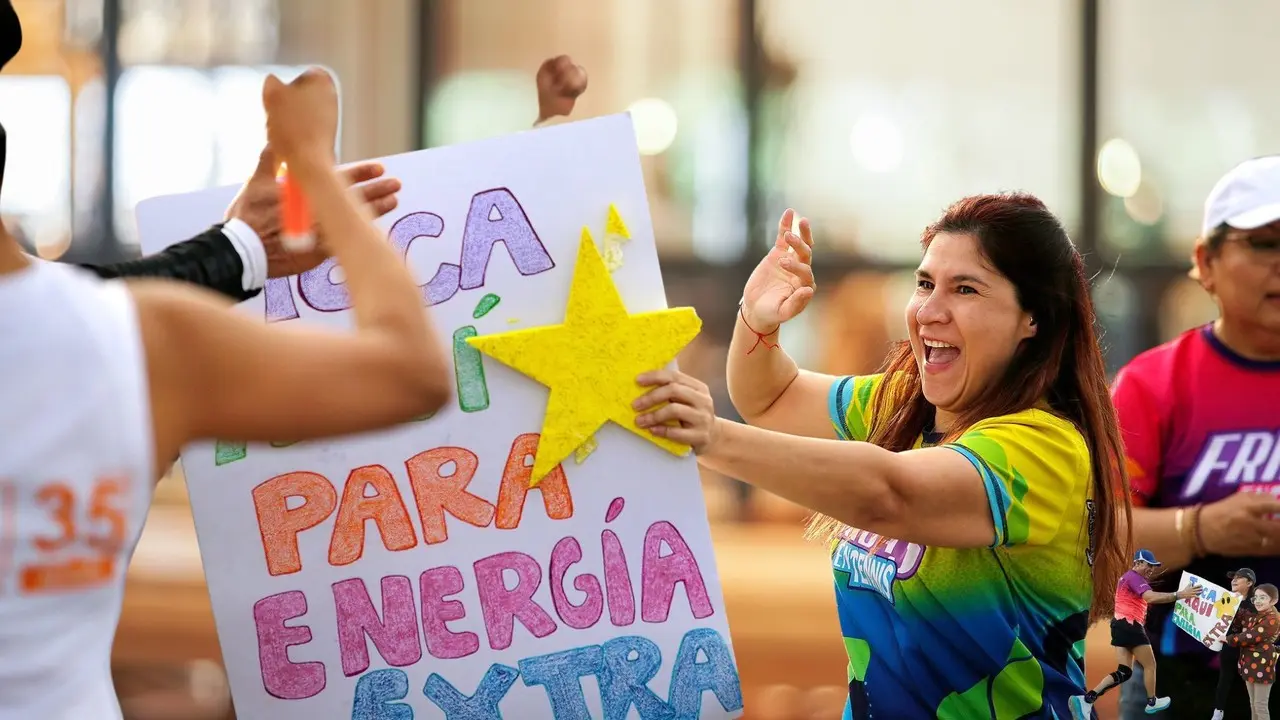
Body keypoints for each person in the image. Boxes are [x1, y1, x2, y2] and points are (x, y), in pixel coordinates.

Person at [0, 68, 452, 719]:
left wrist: (239, 246)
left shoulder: (121, 330)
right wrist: (314, 167)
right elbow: (412, 370)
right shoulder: (130, 340)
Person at [631, 193, 1132, 718]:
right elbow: (769, 398)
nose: (930, 311)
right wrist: (757, 321)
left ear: (1033, 318)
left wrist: (712, 438)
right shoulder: (905, 406)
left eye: (965, 289)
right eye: (924, 284)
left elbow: (887, 494)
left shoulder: (1045, 447)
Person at [1112, 155, 1280, 720]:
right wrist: (1202, 527)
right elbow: (1099, 542)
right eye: (1264, 243)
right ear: (1206, 262)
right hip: (1181, 683)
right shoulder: (1152, 385)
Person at [1069, 550, 1203, 717]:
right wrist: (1180, 595)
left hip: (1122, 625)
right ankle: (1152, 702)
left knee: (1123, 672)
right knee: (1150, 665)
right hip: (1130, 626)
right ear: (1138, 563)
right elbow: (1150, 597)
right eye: (1148, 565)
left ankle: (1087, 700)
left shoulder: (1128, 578)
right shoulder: (1134, 578)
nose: (1151, 570)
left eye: (1153, 567)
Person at [1226, 583, 1280, 720]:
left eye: (1263, 597)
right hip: (1250, 664)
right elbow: (1242, 618)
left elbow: (1250, 636)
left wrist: (1228, 639)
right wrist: (1235, 601)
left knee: (1260, 705)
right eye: (1255, 598)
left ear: (1273, 600)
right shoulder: (1258, 615)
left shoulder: (1273, 618)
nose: (1258, 601)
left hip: (1262, 665)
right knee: (1253, 705)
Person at [1215, 568, 1262, 719]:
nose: (1234, 580)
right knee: (1224, 680)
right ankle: (1217, 712)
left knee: (1252, 685)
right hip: (1229, 647)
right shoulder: (1225, 599)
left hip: (1249, 650)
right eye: (1233, 577)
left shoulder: (1257, 604)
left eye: (1239, 578)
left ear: (1249, 583)